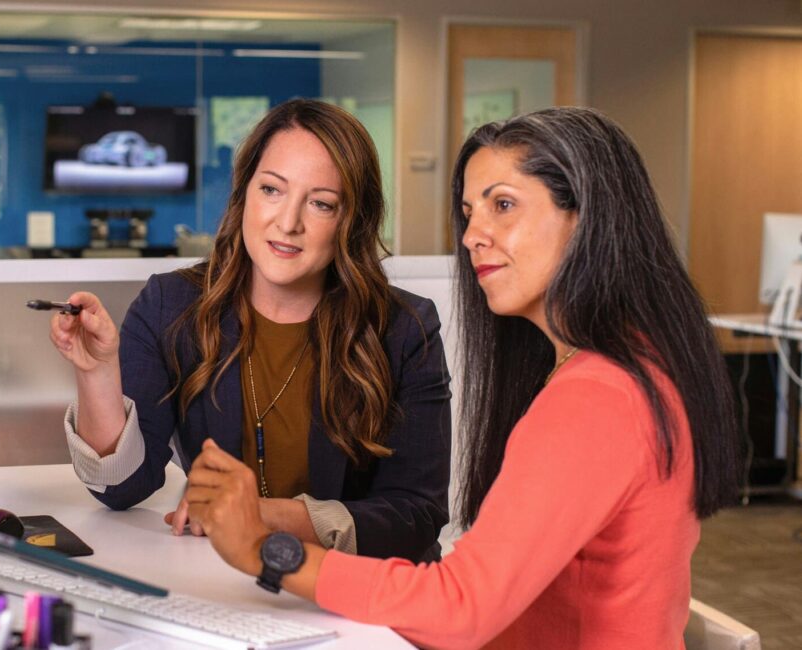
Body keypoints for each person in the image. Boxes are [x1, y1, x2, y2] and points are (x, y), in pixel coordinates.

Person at [183, 106, 742, 648]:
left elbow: (462, 609)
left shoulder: (597, 396)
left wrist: (266, 551)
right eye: (470, 211)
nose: (473, 233)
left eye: (503, 205)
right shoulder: (638, 365)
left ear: (588, 218)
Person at [49, 99, 452, 562]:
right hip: (225, 583)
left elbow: (415, 516)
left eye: (321, 203)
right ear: (245, 194)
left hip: (355, 594)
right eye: (272, 190)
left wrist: (261, 515)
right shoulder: (171, 306)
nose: (288, 223)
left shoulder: (404, 329)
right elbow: (122, 488)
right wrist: (98, 372)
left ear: (350, 221)